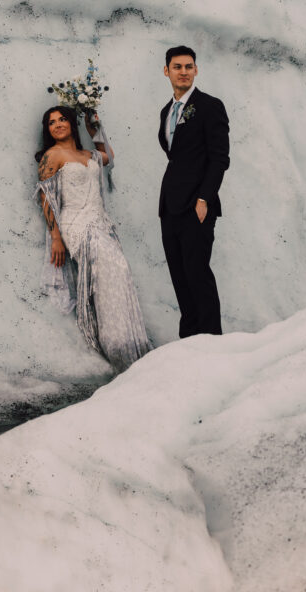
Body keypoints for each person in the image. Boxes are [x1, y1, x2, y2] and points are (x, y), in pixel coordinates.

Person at [35, 105, 150, 372]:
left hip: (100, 223)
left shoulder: (88, 154)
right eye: (52, 123)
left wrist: (93, 128)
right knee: (114, 268)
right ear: (48, 130)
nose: (58, 125)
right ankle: (117, 348)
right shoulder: (51, 156)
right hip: (76, 226)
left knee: (117, 275)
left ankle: (129, 343)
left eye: (63, 119)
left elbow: (108, 155)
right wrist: (56, 237)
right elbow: (45, 197)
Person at [158, 46, 230, 337]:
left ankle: (212, 340)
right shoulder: (167, 111)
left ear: (196, 70)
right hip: (169, 206)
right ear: (167, 71)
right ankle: (188, 342)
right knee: (179, 277)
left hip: (196, 205)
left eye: (189, 66)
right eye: (177, 67)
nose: (184, 72)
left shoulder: (210, 105)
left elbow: (219, 158)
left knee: (198, 274)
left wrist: (204, 199)